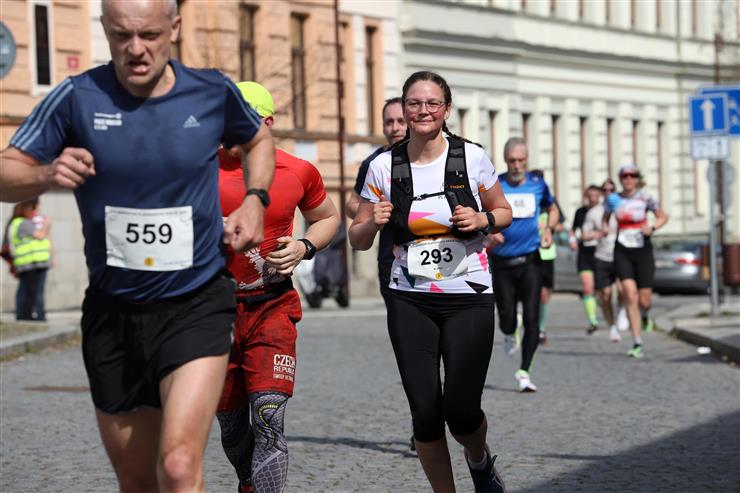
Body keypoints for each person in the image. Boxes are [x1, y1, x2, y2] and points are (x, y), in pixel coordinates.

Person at [0, 1, 276, 491]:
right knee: (137, 480)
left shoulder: (211, 91)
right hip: (115, 311)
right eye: (121, 35)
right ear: (105, 29)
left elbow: (257, 139)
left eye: (149, 35)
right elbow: (6, 169)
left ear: (174, 27)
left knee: (179, 464)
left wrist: (255, 198)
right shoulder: (76, 97)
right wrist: (45, 174)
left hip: (196, 301)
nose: (136, 49)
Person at [349, 71, 512, 493]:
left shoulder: (471, 157)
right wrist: (372, 222)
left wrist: (482, 218)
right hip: (410, 298)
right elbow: (357, 238)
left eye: (432, 103)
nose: (423, 111)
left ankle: (478, 460)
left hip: (469, 294)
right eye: (415, 103)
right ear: (404, 109)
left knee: (461, 411)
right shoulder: (383, 166)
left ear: (446, 109)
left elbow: (504, 211)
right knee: (424, 413)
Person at [216, 81, 340, 493]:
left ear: (267, 123)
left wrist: (305, 246)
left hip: (272, 306)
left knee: (268, 415)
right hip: (213, 313)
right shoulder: (200, 168)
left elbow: (328, 218)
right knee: (232, 425)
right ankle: (247, 481)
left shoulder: (297, 171)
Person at [488, 138, 558, 393]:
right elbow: (481, 213)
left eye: (521, 160)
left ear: (527, 160)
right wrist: (490, 231)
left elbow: (553, 209)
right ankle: (509, 331)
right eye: (512, 161)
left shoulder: (538, 184)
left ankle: (524, 372)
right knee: (506, 318)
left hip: (530, 261)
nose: (517, 165)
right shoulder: (496, 185)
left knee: (532, 317)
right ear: (505, 161)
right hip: (502, 261)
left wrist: (548, 229)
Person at [603, 164, 668, 358]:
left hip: (642, 249)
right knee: (629, 294)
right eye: (625, 176)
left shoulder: (645, 197)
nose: (628, 179)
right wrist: (605, 228)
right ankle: (637, 341)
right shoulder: (613, 199)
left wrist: (653, 228)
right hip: (622, 249)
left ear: (638, 179)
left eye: (632, 176)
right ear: (620, 179)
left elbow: (662, 216)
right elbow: (606, 218)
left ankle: (646, 315)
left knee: (645, 299)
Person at [346, 97, 407, 304]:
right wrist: (372, 212)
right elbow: (351, 205)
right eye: (389, 122)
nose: (395, 128)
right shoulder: (374, 163)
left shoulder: (431, 157)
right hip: (390, 260)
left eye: (401, 121)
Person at [582, 178, 623, 342]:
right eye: (605, 190)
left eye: (611, 190)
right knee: (605, 294)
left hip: (621, 254)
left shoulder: (623, 208)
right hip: (602, 256)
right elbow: (584, 234)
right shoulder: (594, 212)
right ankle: (612, 327)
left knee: (623, 289)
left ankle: (622, 312)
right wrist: (598, 234)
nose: (608, 193)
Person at [7, 199, 52, 321]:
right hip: (31, 262)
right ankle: (34, 316)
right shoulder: (23, 223)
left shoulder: (20, 222)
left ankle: (26, 315)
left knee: (27, 291)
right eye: (33, 209)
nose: (35, 212)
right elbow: (41, 235)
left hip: (33, 262)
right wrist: (47, 224)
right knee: (33, 292)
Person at [569, 185, 603, 334]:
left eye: (596, 196)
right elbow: (573, 230)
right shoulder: (580, 212)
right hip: (585, 254)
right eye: (590, 196)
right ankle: (593, 321)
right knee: (587, 288)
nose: (593, 199)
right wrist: (572, 241)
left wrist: (596, 235)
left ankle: (606, 312)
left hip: (601, 253)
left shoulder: (604, 212)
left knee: (602, 290)